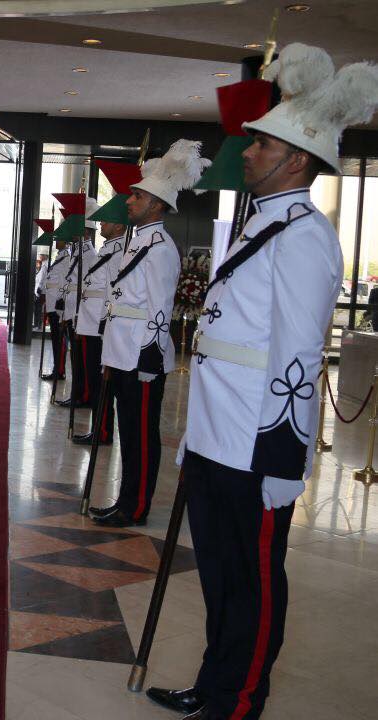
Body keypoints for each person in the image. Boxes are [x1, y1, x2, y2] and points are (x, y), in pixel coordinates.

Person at [147, 44, 373, 720]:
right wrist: (195, 432)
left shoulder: (305, 234)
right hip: (220, 433)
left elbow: (299, 356)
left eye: (260, 146)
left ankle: (239, 700)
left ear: (297, 159)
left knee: (251, 582)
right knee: (218, 577)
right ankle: (216, 683)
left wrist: (285, 455)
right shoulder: (258, 223)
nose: (244, 154)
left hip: (256, 444)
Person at [91, 139, 205, 528]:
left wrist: (149, 356)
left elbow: (158, 308)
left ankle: (135, 506)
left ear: (156, 204)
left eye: (136, 196)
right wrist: (110, 356)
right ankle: (124, 499)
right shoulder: (134, 242)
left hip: (142, 356)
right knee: (128, 430)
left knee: (141, 435)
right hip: (122, 352)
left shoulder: (160, 248)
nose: (128, 201)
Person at [72, 216, 128, 445]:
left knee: (101, 383)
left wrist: (106, 324)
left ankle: (103, 431)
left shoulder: (117, 253)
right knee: (95, 381)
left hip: (99, 326)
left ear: (119, 224)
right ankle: (99, 429)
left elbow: (113, 293)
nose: (101, 225)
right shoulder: (107, 250)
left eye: (106, 221)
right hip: (91, 322)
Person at [56, 199, 99, 410]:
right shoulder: (78, 253)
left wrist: (76, 315)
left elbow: (86, 289)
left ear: (86, 231)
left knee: (82, 360)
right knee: (76, 358)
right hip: (72, 312)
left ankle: (83, 394)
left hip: (80, 314)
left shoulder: (90, 255)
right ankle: (78, 392)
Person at [38, 239, 70, 380]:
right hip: (51, 305)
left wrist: (59, 306)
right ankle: (56, 368)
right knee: (55, 340)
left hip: (57, 307)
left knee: (59, 341)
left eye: (59, 239)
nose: (56, 241)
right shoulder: (59, 257)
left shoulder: (66, 259)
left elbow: (64, 284)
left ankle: (59, 370)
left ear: (66, 242)